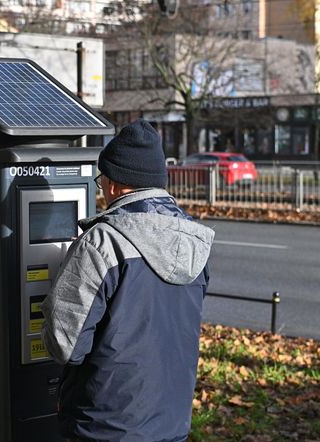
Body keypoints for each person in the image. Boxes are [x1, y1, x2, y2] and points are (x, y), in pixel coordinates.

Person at [41, 119, 215, 442]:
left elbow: (65, 344)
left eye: (101, 179)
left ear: (115, 184)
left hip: (103, 428)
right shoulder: (197, 243)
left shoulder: (102, 244)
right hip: (171, 426)